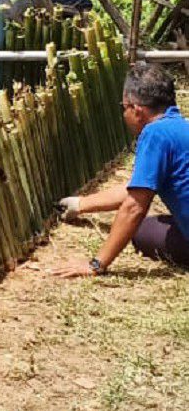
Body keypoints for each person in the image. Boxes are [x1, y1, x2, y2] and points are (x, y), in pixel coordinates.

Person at [53, 63, 189, 275]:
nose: (123, 114)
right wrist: (80, 205)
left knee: (142, 231)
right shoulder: (180, 128)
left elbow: (135, 206)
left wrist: (97, 264)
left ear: (137, 110)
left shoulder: (155, 134)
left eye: (123, 107)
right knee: (154, 226)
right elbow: (136, 186)